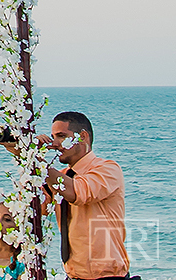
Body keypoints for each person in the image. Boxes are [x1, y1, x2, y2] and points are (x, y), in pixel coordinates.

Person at [38, 112, 130, 280]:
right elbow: (37, 208)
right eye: (52, 137)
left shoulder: (108, 169)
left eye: (61, 136)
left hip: (108, 277)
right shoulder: (61, 176)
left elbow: (78, 192)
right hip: (72, 276)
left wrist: (39, 163)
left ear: (83, 136)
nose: (55, 143)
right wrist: (20, 151)